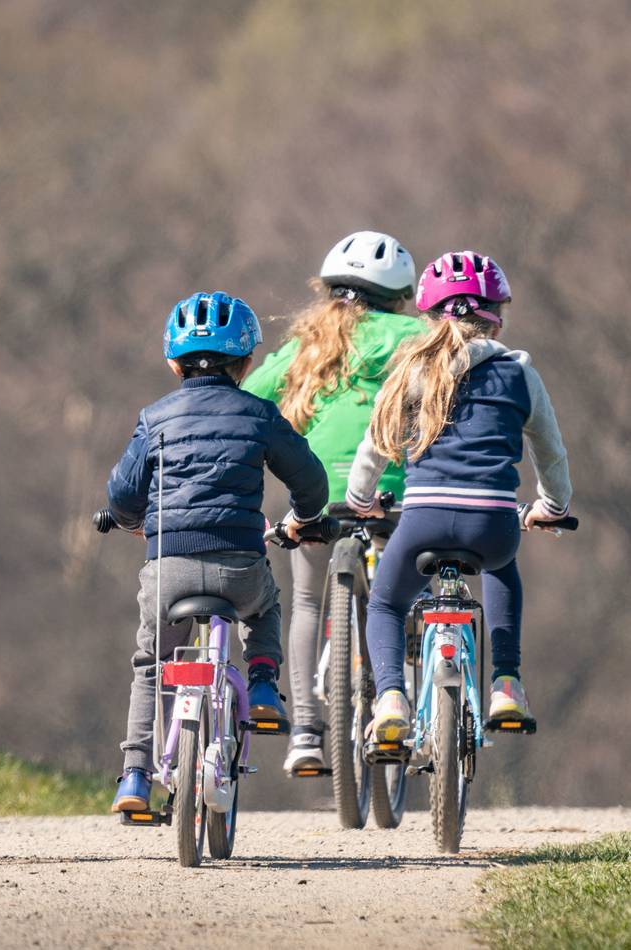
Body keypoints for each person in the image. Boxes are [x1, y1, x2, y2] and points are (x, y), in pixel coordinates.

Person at [106, 291, 329, 812]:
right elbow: (311, 482)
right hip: (239, 565)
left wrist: (133, 523)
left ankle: (135, 776)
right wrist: (302, 518)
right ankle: (264, 684)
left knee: (150, 664)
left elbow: (121, 495)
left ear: (171, 361)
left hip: (170, 570)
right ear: (247, 362)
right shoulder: (260, 414)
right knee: (268, 605)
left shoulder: (154, 418)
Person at [345, 251, 572, 742]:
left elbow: (374, 447)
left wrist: (361, 499)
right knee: (502, 566)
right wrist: (551, 508)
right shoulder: (520, 374)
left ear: (428, 317)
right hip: (491, 523)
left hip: (422, 517)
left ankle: (390, 699)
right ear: (497, 317)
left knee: (385, 604)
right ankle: (506, 682)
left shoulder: (411, 372)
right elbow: (550, 455)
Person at [243, 230, 422, 775]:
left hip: (316, 496)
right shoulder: (418, 335)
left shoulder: (307, 343)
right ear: (400, 295)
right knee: (404, 595)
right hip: (392, 493)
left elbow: (247, 399)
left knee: (305, 602)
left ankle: (305, 735)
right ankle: (405, 684)